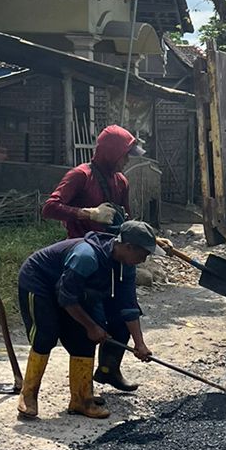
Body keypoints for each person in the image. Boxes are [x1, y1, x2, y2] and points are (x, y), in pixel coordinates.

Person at [15, 220, 156, 422]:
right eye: (143, 254)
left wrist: (140, 344)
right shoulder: (86, 256)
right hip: (39, 282)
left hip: (71, 290)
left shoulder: (126, 266)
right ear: (128, 247)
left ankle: (81, 400)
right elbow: (65, 297)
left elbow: (128, 305)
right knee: (46, 334)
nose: (144, 259)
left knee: (83, 339)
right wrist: (91, 326)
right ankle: (28, 395)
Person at [42, 124, 147, 389]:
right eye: (125, 155)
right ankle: (81, 390)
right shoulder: (81, 176)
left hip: (116, 255)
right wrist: (86, 213)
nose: (127, 161)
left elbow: (126, 220)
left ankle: (109, 370)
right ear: (111, 153)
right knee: (92, 321)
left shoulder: (121, 181)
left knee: (122, 314)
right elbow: (49, 208)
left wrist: (148, 239)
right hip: (86, 257)